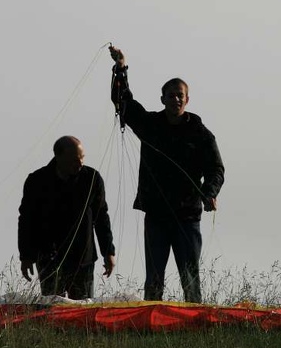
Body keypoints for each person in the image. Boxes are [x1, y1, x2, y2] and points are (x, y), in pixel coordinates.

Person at [109, 45, 225, 303]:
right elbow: (123, 102)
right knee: (154, 279)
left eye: (180, 95)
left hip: (188, 216)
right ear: (162, 99)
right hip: (157, 216)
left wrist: (210, 193)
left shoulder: (200, 133)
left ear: (187, 99)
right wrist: (121, 68)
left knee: (190, 278)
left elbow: (216, 169)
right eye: (171, 95)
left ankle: (196, 325)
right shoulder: (150, 126)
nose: (176, 99)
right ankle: (152, 327)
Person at [17, 136, 116, 300]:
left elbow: (101, 218)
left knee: (82, 310)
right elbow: (27, 220)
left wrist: (108, 252)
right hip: (49, 259)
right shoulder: (37, 181)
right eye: (74, 160)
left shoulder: (91, 179)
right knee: (52, 309)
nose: (80, 164)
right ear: (59, 157)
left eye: (82, 158)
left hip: (83, 259)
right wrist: (26, 256)